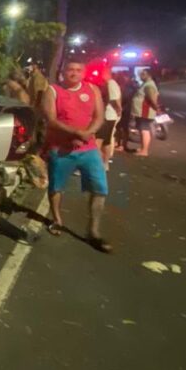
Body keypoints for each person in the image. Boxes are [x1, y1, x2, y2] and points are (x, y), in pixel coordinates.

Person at [42, 57, 112, 253]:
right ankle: (57, 219)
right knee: (57, 187)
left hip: (88, 149)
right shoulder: (53, 90)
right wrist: (75, 133)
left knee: (99, 189)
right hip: (61, 149)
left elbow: (99, 117)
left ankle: (94, 231)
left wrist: (87, 133)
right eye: (70, 69)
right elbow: (51, 120)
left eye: (78, 70)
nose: (74, 73)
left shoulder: (92, 90)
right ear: (63, 72)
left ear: (83, 73)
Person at [95, 64, 122, 168]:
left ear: (107, 73)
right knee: (106, 140)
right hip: (109, 115)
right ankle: (104, 163)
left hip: (108, 116)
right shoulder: (109, 83)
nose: (100, 75)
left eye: (102, 73)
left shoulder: (111, 83)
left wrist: (118, 110)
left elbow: (115, 99)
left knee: (99, 141)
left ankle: (99, 163)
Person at [131, 67, 160, 157]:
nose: (140, 76)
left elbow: (152, 98)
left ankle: (144, 151)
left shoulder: (149, 85)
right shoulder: (146, 84)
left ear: (149, 75)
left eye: (143, 74)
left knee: (144, 130)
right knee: (142, 130)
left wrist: (156, 108)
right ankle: (143, 148)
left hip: (145, 112)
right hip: (141, 112)